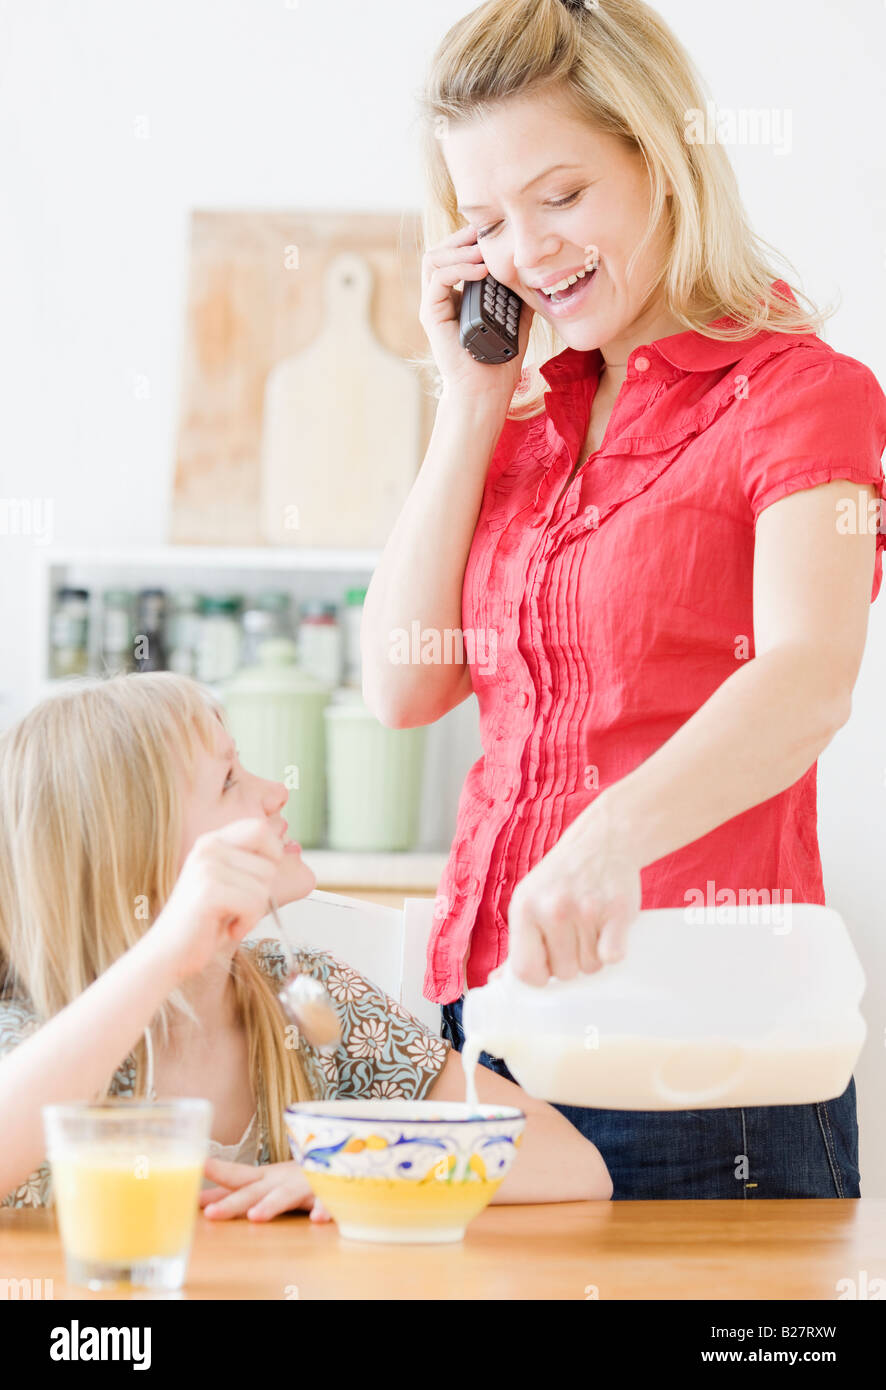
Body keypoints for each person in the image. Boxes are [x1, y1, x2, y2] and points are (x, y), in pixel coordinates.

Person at [361, 0, 886, 1198]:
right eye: (485, 220)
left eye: (561, 195)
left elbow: (807, 677)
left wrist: (604, 840)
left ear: (660, 159)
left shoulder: (803, 397)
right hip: (483, 1033)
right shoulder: (523, 425)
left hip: (693, 1056)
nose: (530, 251)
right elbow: (400, 683)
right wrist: (469, 399)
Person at [0, 672, 612, 1217]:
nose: (275, 791)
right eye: (229, 781)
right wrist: (165, 954)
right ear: (135, 857)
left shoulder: (314, 1004)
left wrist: (352, 1172)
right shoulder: (32, 1038)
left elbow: (573, 1162)